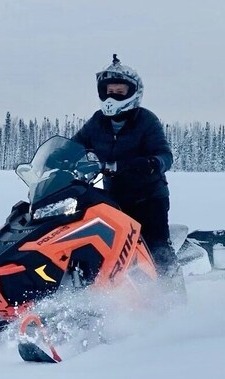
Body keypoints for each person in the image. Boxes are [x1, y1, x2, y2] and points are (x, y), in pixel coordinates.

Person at [72, 54, 181, 283]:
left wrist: (151, 163)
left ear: (133, 93)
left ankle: (172, 295)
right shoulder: (97, 122)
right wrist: (60, 160)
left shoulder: (146, 121)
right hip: (113, 199)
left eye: (119, 91)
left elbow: (165, 155)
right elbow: (75, 145)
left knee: (157, 247)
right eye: (109, 90)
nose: (113, 96)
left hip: (148, 197)